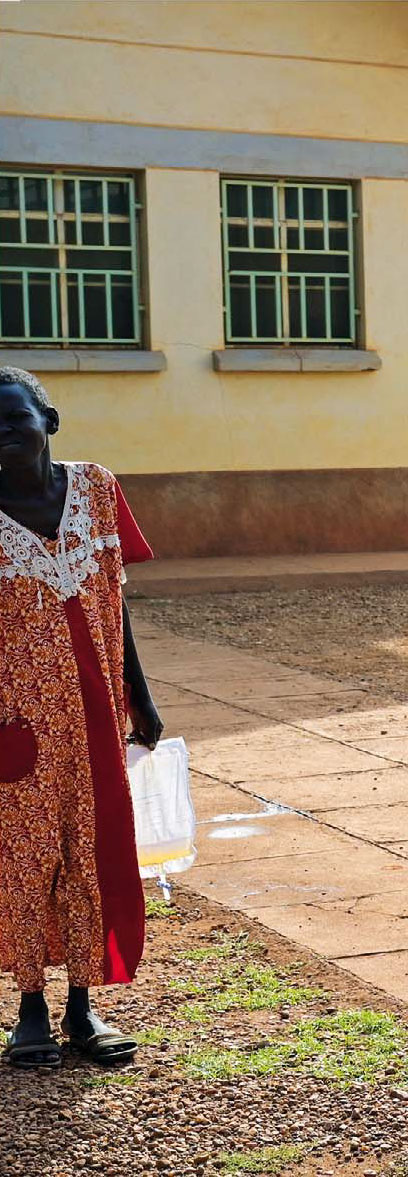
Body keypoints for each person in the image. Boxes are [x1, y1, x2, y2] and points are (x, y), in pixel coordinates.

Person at [0, 366, 161, 1069]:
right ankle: (30, 1008)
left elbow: (113, 594)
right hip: (16, 720)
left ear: (49, 421)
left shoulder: (96, 487)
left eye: (14, 419)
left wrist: (141, 693)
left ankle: (82, 1004)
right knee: (25, 859)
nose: (2, 435)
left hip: (95, 711)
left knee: (93, 849)